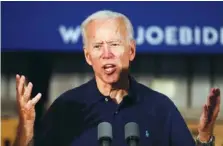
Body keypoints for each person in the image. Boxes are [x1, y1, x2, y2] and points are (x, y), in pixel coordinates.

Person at [14, 10, 221, 146]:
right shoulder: (66, 108)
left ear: (131, 51)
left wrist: (204, 136)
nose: (106, 53)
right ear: (88, 56)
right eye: (97, 46)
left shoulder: (161, 108)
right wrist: (26, 126)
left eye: (114, 44)